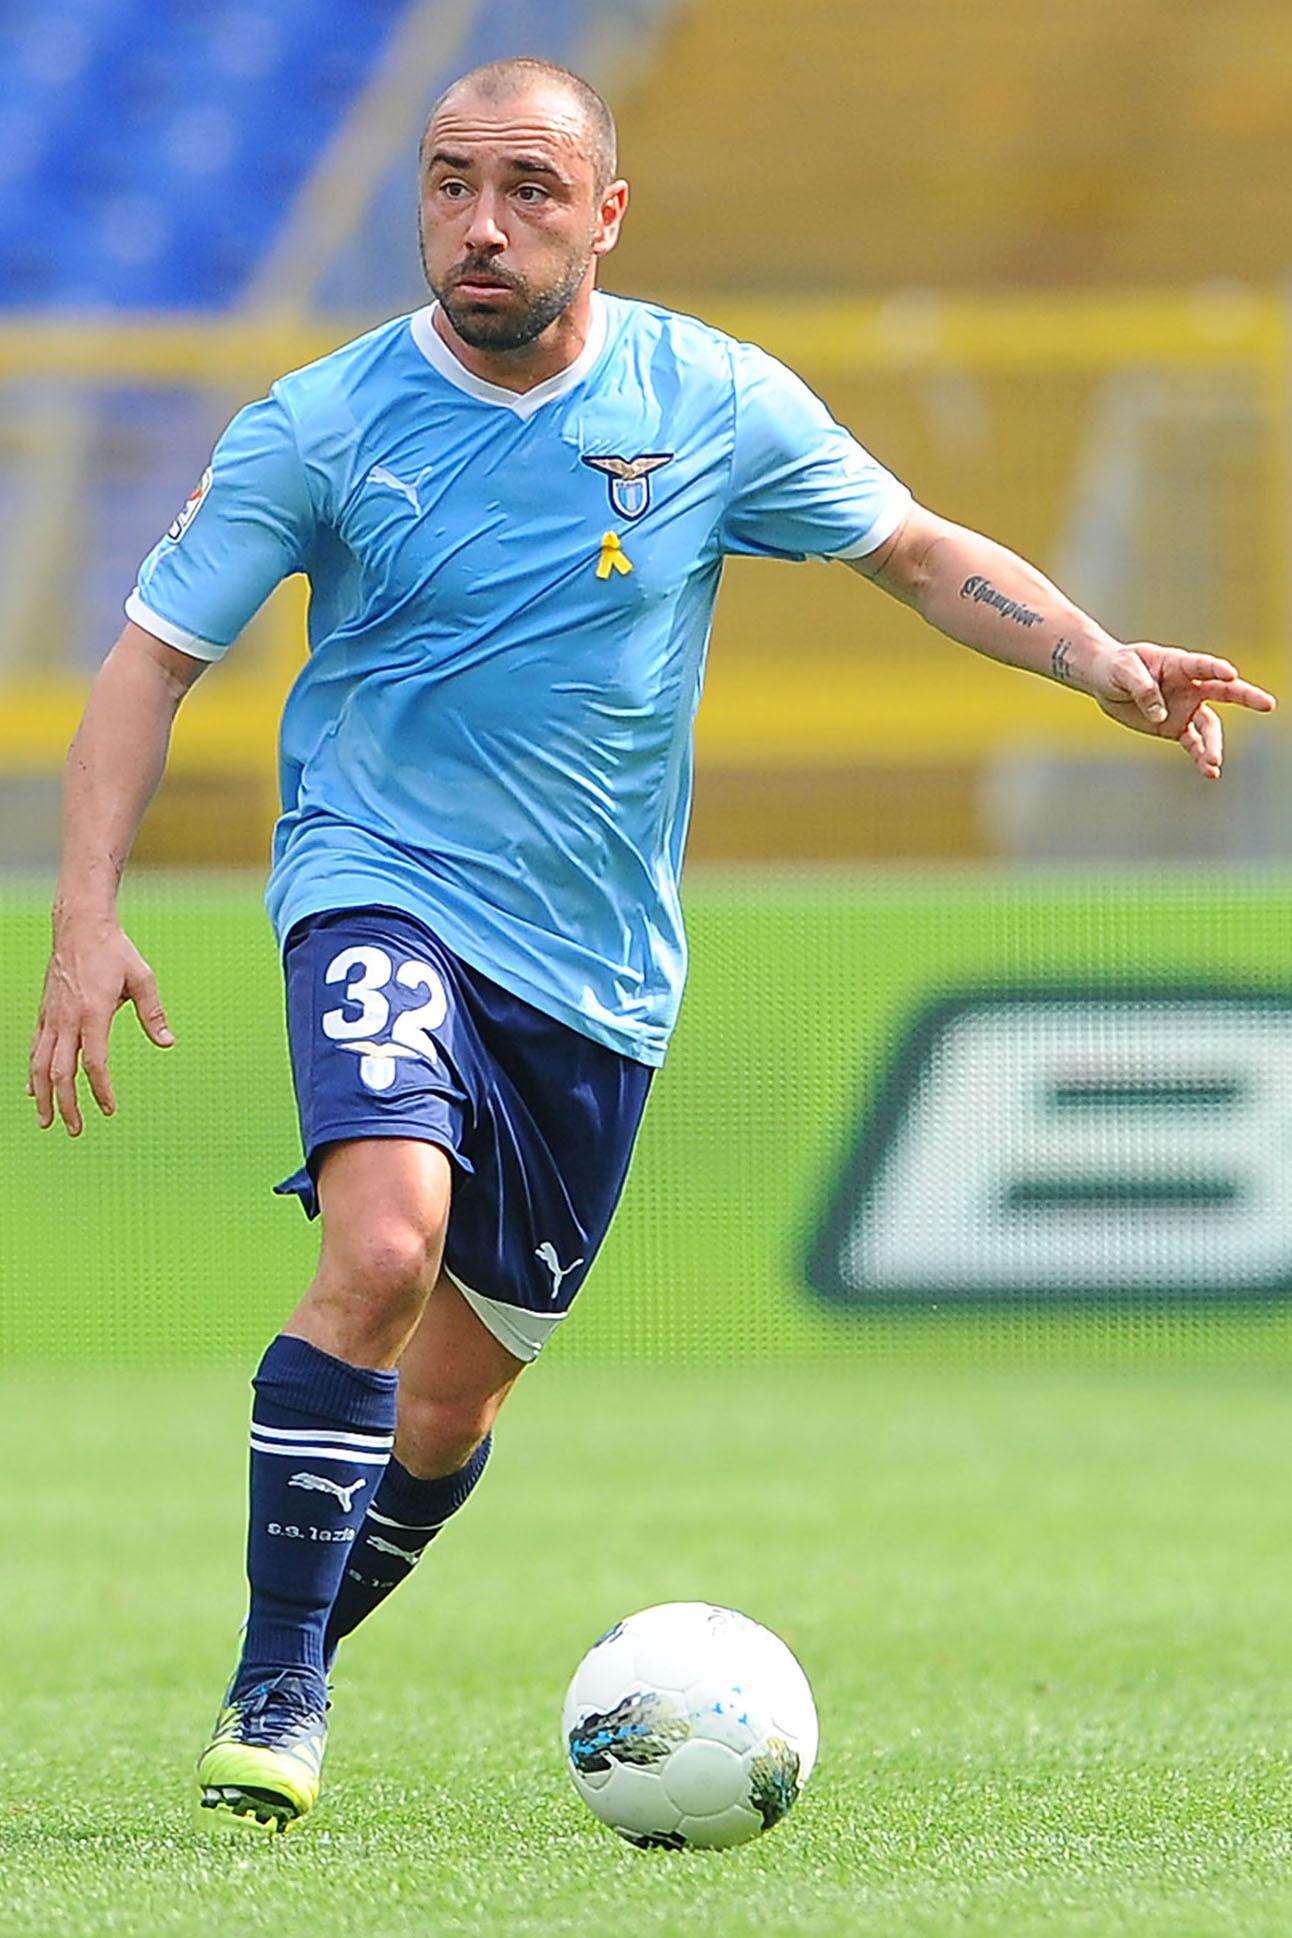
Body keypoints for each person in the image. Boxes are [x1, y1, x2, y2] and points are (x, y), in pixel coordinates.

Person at [27, 56, 1276, 1834]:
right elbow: (151, 659)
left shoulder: (711, 400)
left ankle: (287, 1629)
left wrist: (1101, 661)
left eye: (529, 189)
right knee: (383, 1247)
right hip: (377, 885)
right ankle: (277, 1685)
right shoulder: (319, 424)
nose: (482, 223)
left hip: (596, 976)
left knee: (448, 1407)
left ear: (606, 213)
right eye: (451, 183)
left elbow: (915, 550)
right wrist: (87, 916)